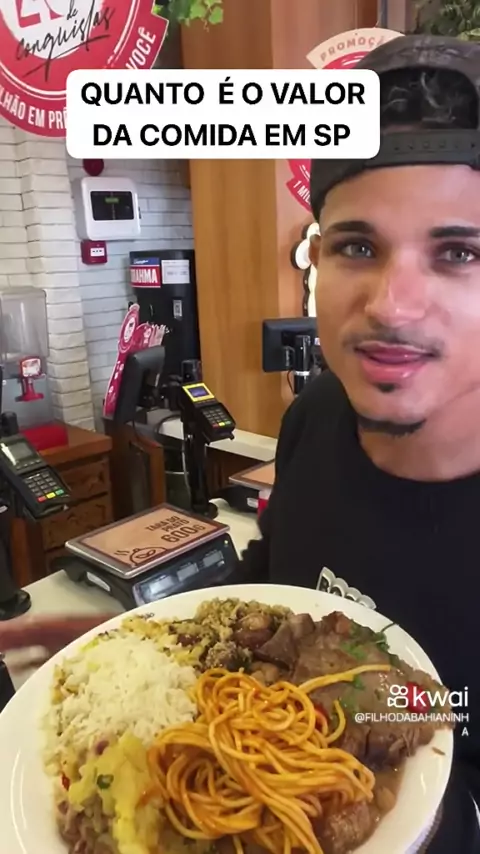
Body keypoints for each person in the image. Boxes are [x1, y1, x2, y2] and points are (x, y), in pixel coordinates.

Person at [2, 33, 480, 851]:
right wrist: (144, 644)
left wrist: (385, 718)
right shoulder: (314, 419)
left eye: (459, 252)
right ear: (317, 260)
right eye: (357, 246)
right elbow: (275, 581)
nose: (393, 305)